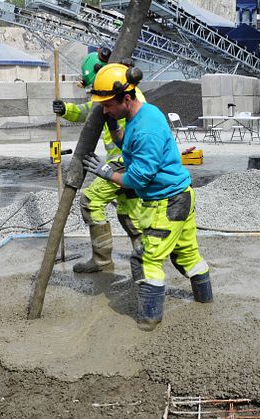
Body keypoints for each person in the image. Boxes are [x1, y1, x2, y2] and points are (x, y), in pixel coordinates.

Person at [82, 62, 212, 331]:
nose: (105, 109)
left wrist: (106, 172)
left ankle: (148, 320)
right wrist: (114, 127)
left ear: (126, 98)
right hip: (180, 196)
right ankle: (205, 299)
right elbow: (128, 145)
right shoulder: (141, 116)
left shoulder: (146, 130)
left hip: (168, 203)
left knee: (146, 258)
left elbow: (138, 178)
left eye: (108, 105)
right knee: (188, 255)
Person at [53, 49, 145, 273]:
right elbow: (88, 111)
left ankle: (102, 261)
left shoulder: (129, 97)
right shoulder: (113, 97)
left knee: (91, 201)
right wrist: (66, 110)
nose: (103, 106)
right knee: (129, 210)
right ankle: (144, 256)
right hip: (125, 161)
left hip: (125, 160)